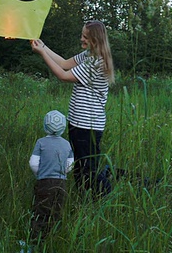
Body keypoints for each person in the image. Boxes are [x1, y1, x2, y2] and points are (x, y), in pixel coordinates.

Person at [31, 20, 114, 197]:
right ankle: (89, 195)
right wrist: (43, 46)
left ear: (95, 40)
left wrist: (41, 53)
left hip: (88, 125)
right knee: (82, 166)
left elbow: (63, 75)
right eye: (82, 35)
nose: (81, 39)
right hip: (78, 122)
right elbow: (63, 63)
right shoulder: (88, 55)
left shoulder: (96, 62)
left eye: (85, 37)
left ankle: (105, 194)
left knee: (87, 169)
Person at [29, 110, 74, 242]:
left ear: (45, 126)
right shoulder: (67, 144)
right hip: (61, 183)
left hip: (44, 182)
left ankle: (35, 240)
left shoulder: (41, 142)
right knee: (56, 211)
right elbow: (70, 165)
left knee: (40, 211)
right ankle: (51, 238)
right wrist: (62, 172)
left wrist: (41, 173)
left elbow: (33, 163)